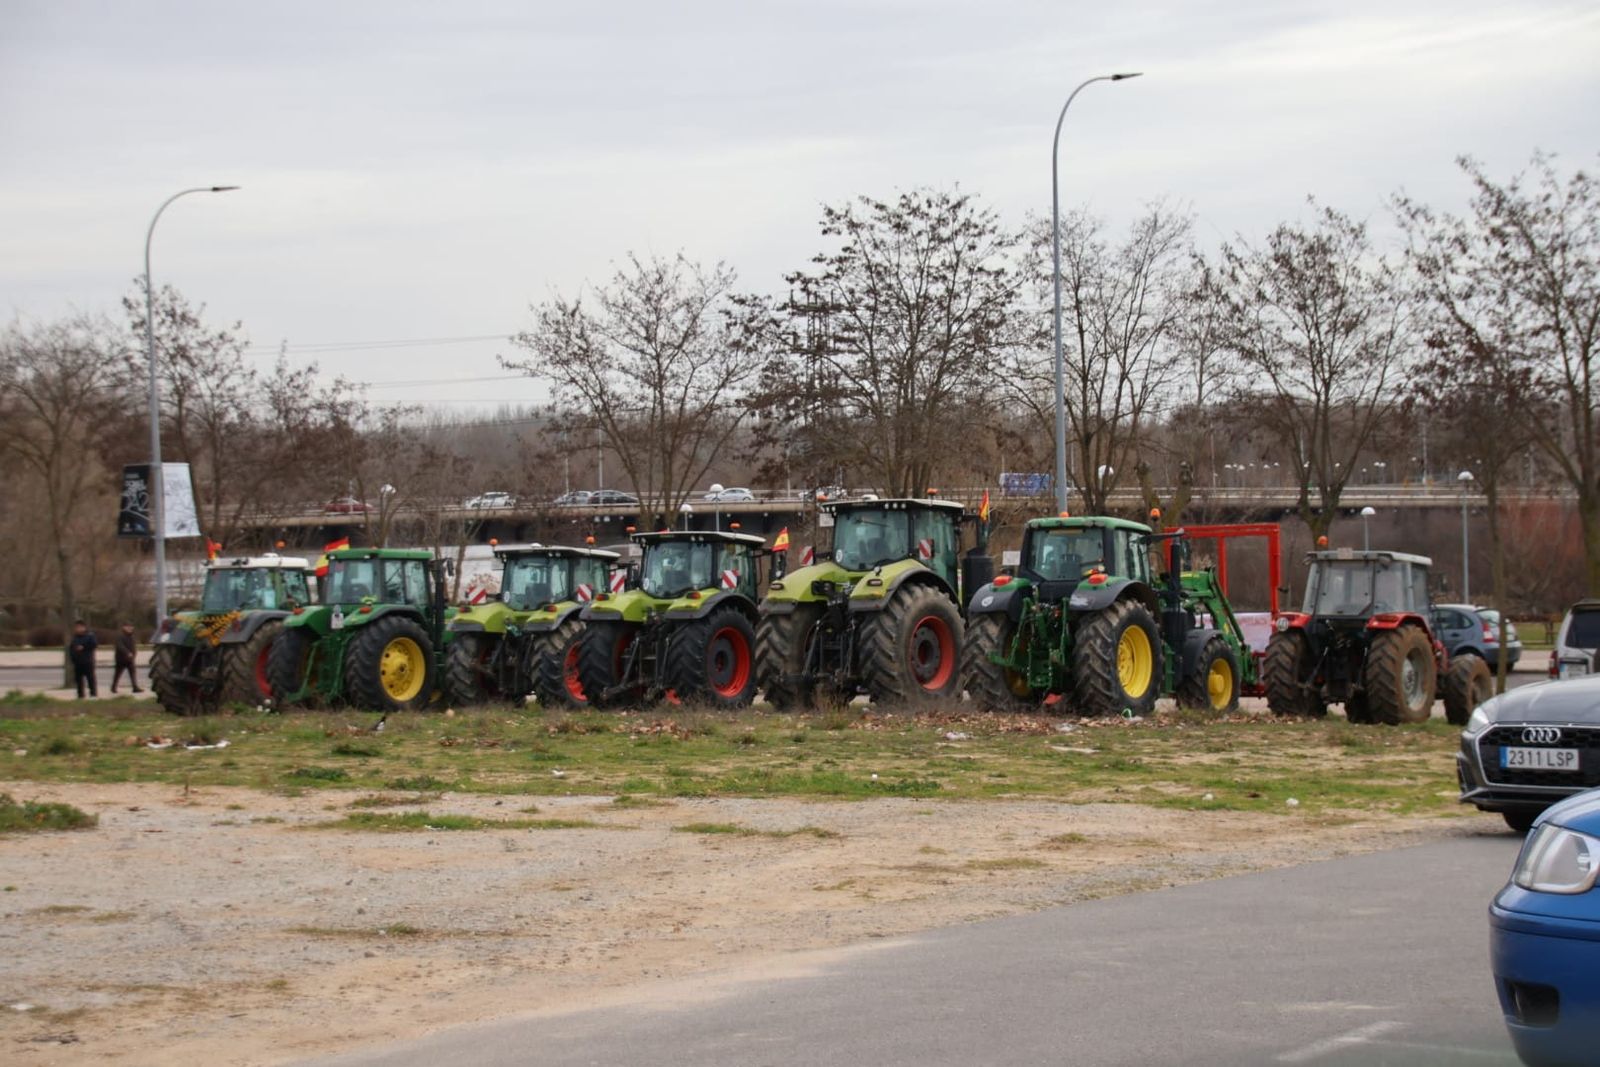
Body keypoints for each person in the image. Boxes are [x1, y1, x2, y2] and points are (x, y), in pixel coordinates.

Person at [68, 620, 98, 699]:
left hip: (87, 661)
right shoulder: (75, 638)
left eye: (81, 627)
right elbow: (71, 649)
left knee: (90, 679)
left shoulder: (90, 636)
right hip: (78, 662)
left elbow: (94, 645)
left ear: (84, 627)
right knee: (79, 680)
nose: (79, 629)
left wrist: (83, 647)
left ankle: (93, 694)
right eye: (77, 627)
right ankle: (80, 695)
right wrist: (73, 658)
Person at [111, 622, 142, 694]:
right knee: (118, 674)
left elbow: (133, 647)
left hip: (130, 659)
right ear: (123, 627)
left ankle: (135, 687)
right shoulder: (120, 636)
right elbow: (119, 646)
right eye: (128, 627)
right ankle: (113, 687)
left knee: (132, 673)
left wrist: (134, 654)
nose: (130, 628)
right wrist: (127, 652)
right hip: (121, 659)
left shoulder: (131, 636)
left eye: (131, 627)